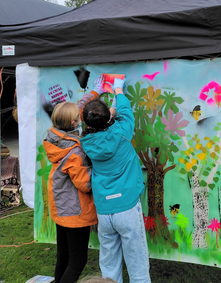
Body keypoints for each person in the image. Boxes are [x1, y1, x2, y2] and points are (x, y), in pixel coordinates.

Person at [80, 75, 151, 283]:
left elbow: (92, 119)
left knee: (109, 266)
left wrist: (103, 103)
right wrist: (118, 90)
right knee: (137, 265)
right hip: (126, 206)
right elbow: (126, 114)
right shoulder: (120, 132)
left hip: (104, 209)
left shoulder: (85, 140)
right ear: (108, 120)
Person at [43, 80, 104, 283]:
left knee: (64, 256)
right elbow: (84, 184)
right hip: (75, 213)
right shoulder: (74, 152)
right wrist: (98, 168)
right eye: (78, 118)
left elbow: (77, 108)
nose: (81, 118)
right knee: (77, 261)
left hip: (61, 209)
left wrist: (96, 91)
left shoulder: (56, 137)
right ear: (73, 123)